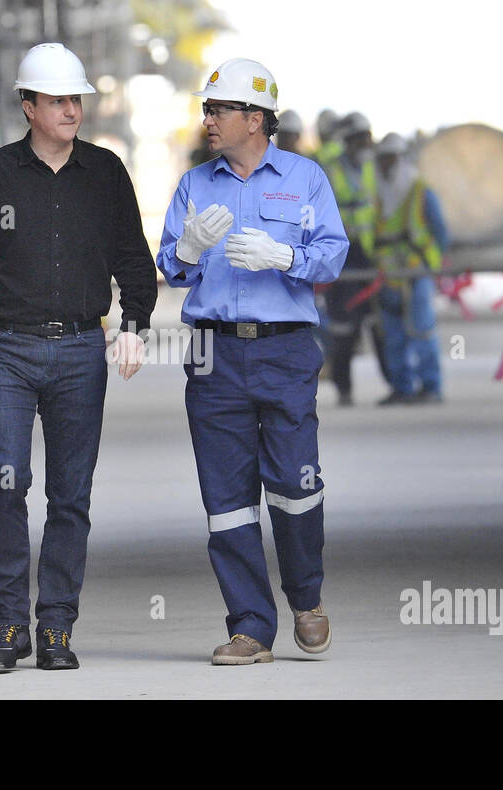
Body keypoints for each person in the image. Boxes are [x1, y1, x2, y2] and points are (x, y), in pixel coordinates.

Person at [0, 42, 156, 669]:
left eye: (75, 99)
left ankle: (55, 625)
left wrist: (134, 323)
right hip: (3, 349)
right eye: (56, 100)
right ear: (28, 107)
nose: (70, 109)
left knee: (70, 495)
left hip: (82, 349)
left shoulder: (106, 173)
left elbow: (134, 261)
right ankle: (9, 625)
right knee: (6, 484)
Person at [156, 57, 348, 665]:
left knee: (295, 481)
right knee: (227, 495)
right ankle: (250, 628)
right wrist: (185, 251)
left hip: (285, 348)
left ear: (256, 118)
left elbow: (333, 255)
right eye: (207, 108)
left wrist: (285, 257)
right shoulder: (194, 183)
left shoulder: (305, 178)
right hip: (213, 352)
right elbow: (170, 263)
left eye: (218, 109)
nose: (207, 119)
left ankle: (306, 597)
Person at [371, 132, 450, 405]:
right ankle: (402, 386)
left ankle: (431, 386)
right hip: (389, 274)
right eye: (382, 159)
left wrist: (433, 266)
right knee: (393, 335)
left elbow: (440, 232)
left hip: (416, 272)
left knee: (421, 330)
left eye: (390, 158)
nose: (386, 164)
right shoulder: (379, 193)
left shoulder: (419, 190)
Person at [321, 111, 384, 405]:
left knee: (378, 322)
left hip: (370, 255)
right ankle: (344, 387)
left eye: (367, 137)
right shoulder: (331, 171)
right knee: (343, 326)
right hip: (342, 255)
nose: (366, 143)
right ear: (349, 142)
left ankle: (399, 385)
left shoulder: (374, 168)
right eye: (361, 138)